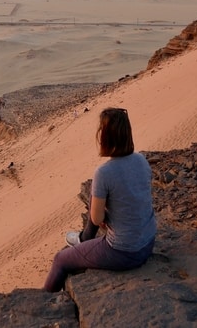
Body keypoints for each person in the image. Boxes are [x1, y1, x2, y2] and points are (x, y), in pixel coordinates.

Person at [43, 107, 156, 292]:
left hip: (125, 252)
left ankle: (43, 305)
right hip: (148, 241)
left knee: (60, 259)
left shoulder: (104, 172)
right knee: (98, 202)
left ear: (104, 137)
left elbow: (96, 219)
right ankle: (84, 239)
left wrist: (103, 216)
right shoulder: (141, 160)